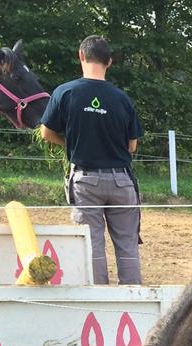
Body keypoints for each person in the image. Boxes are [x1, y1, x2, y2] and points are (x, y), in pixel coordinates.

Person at [40, 36, 144, 285]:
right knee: (127, 245)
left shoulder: (65, 92)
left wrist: (70, 144)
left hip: (85, 180)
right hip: (121, 181)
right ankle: (131, 299)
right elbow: (132, 145)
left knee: (92, 243)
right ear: (109, 62)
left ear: (81, 56)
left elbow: (46, 132)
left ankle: (99, 300)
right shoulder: (122, 99)